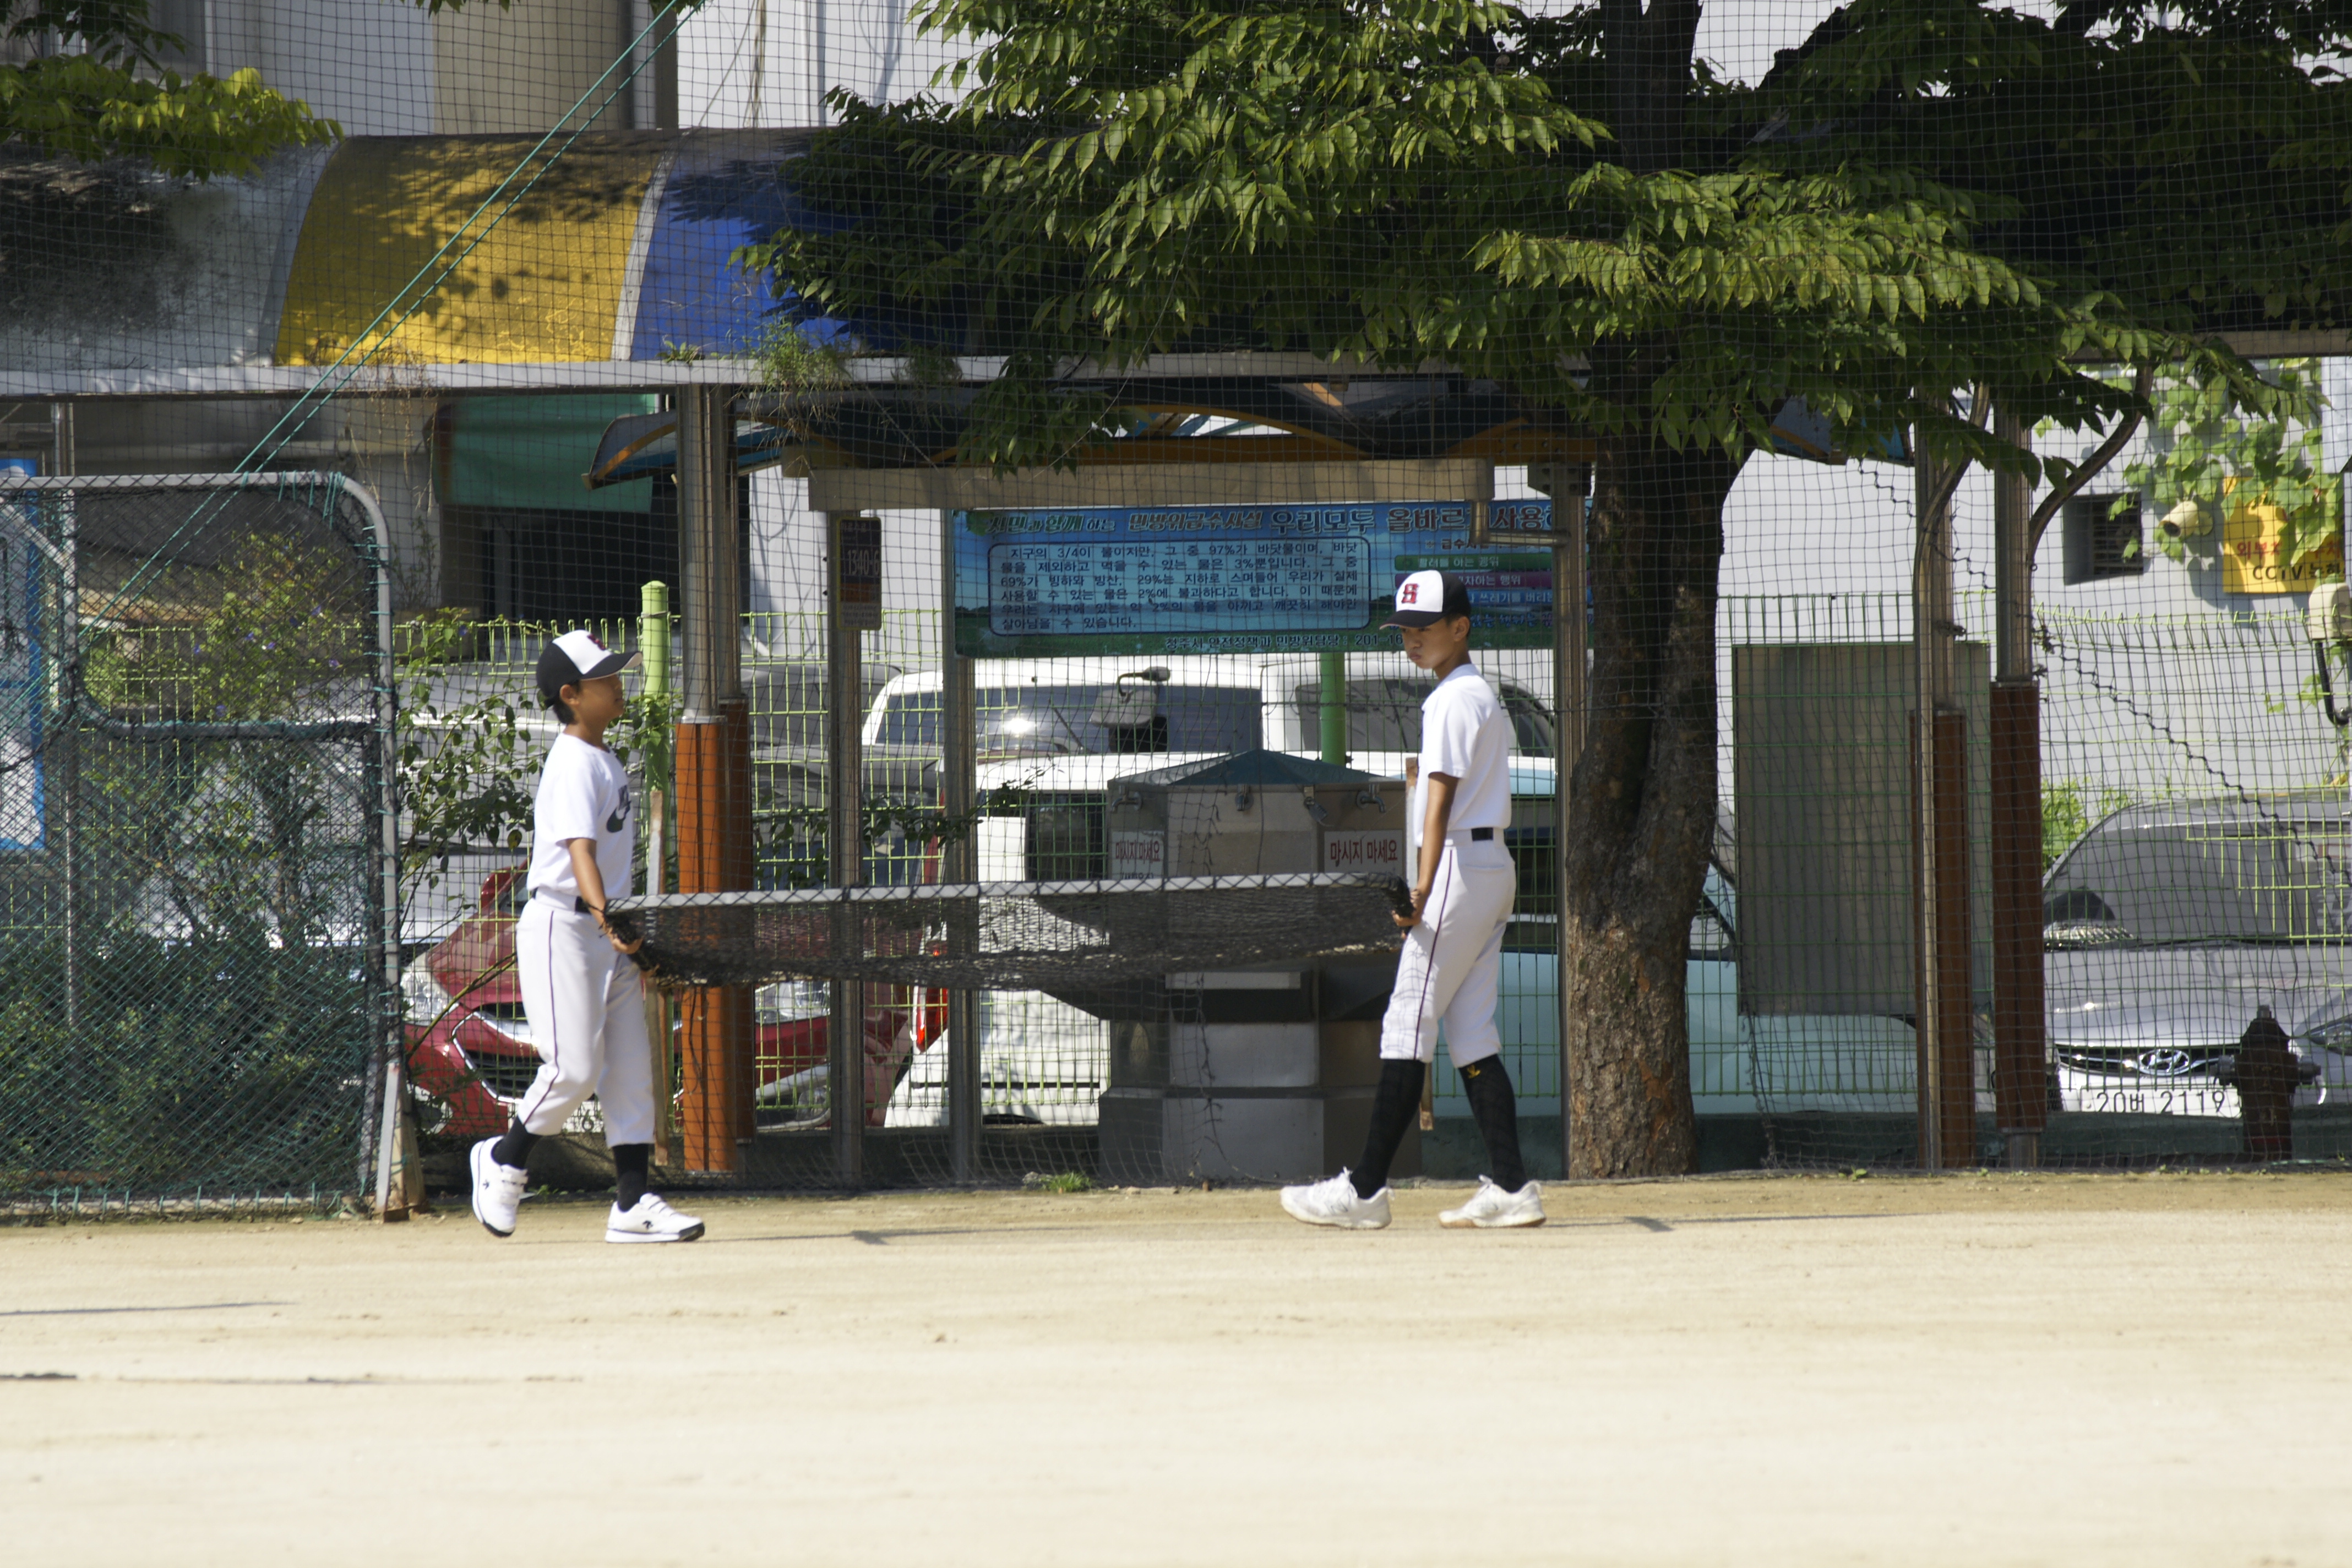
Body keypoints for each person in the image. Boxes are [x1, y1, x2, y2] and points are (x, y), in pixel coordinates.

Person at [1280, 569, 1545, 1230]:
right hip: (1488, 865)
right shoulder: (1476, 693)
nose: (1412, 639)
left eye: (1425, 627)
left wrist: (1422, 888)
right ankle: (1513, 1186)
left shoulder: (1454, 698)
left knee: (1407, 1020)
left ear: (1461, 626)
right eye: (1405, 629)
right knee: (1473, 1035)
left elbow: (1439, 802)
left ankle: (1365, 1189)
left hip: (1458, 864)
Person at [470, 628, 705, 1244]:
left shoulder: (604, 757)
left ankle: (633, 1203)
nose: (617, 684)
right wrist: (607, 916)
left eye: (616, 673)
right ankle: (503, 1159)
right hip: (565, 927)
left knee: (630, 1072)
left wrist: (620, 926)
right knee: (573, 1069)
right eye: (604, 678)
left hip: (605, 927)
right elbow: (579, 851)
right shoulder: (572, 760)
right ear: (570, 695)